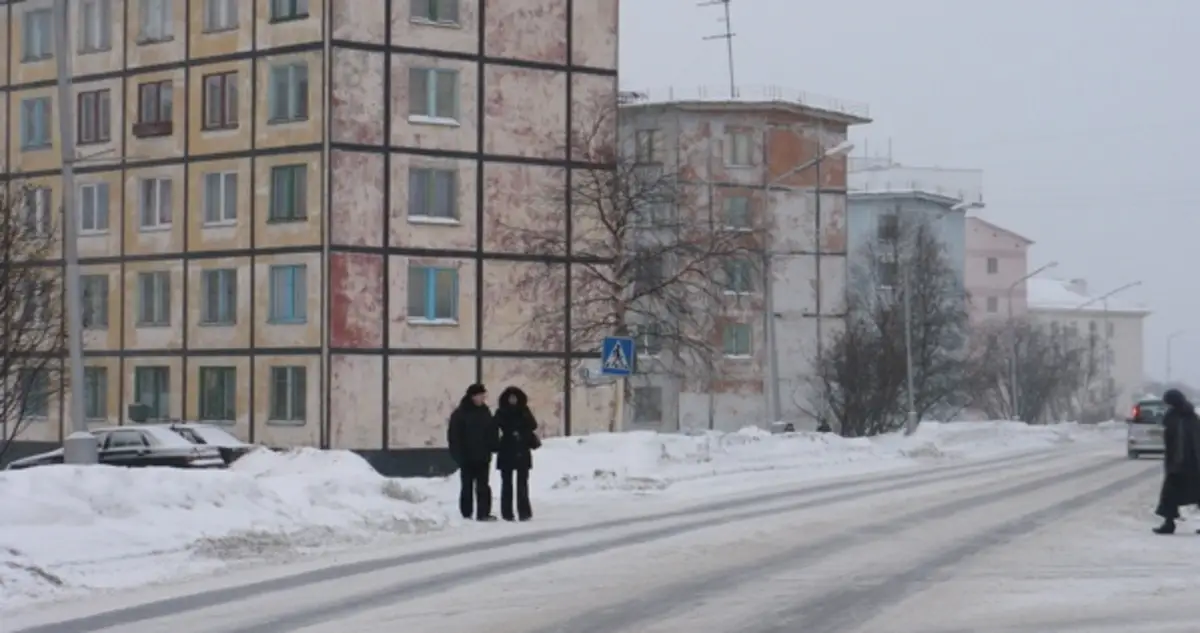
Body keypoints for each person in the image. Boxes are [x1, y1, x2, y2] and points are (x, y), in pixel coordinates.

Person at [448, 383, 499, 522]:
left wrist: (494, 446)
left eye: (484, 396)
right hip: (467, 457)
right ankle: (466, 514)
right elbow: (454, 437)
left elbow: (492, 431)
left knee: (483, 486)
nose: (483, 398)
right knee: (467, 486)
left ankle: (483, 513)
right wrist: (458, 455)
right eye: (480, 396)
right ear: (473, 396)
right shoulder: (460, 414)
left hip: (483, 456)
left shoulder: (485, 412)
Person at [1152, 389, 1200, 534]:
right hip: (1183, 462)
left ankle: (1169, 523)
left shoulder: (1185, 417)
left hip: (1187, 462)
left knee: (1189, 492)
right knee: (1171, 494)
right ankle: (1169, 523)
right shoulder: (1181, 416)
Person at [494, 386, 541, 522]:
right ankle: (507, 513)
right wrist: (496, 444)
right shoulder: (501, 412)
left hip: (522, 449)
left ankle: (524, 512)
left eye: (515, 397)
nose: (513, 400)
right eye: (510, 398)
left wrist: (522, 429)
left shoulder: (524, 411)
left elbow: (533, 425)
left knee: (522, 484)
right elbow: (494, 427)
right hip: (507, 450)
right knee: (506, 484)